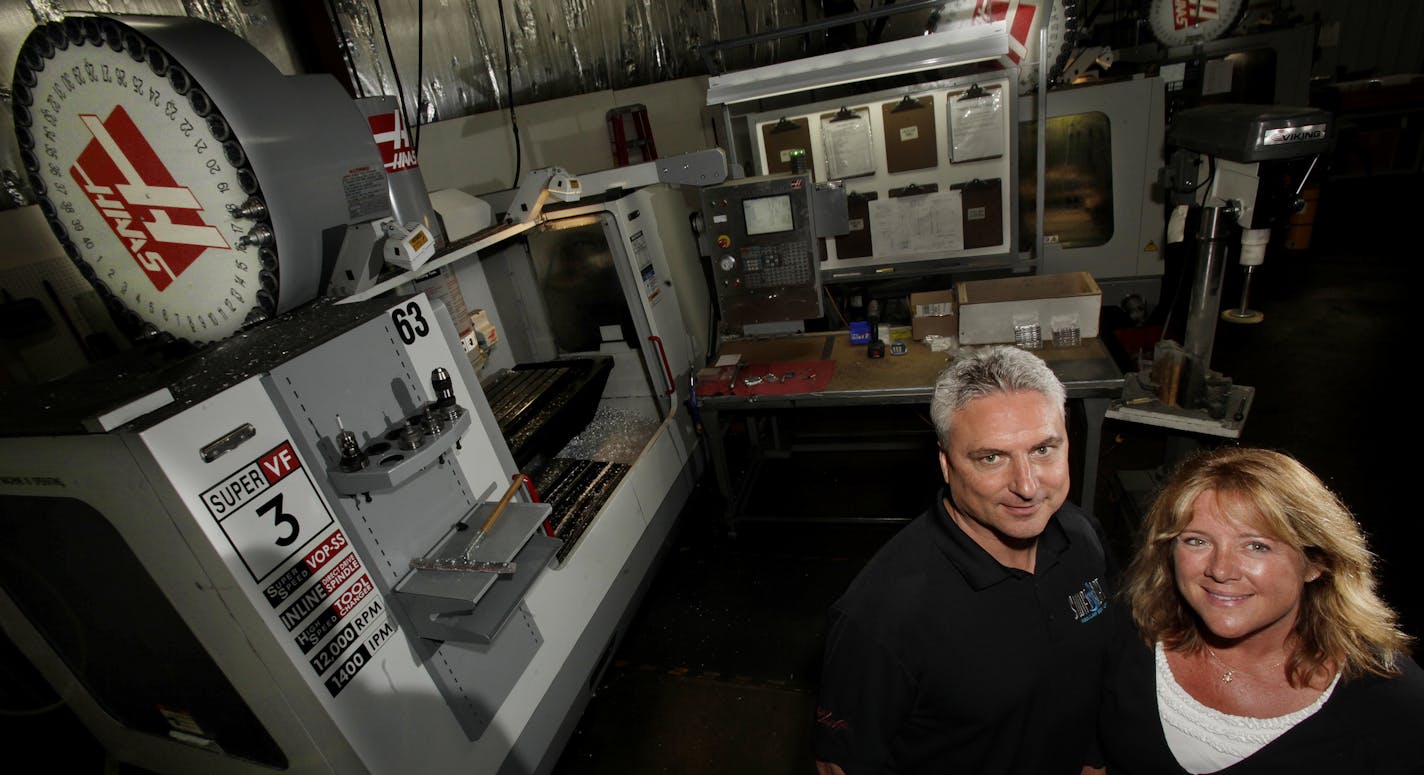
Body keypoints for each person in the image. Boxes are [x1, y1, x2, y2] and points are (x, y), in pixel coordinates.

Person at [812, 345, 1116, 774]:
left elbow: (1094, 672)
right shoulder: (881, 616)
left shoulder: (1082, 537)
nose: (1027, 486)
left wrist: (1092, 761)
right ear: (946, 464)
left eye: (1043, 450)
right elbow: (839, 766)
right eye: (991, 458)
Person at [1099, 446, 1424, 774]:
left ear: (1315, 563)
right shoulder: (1130, 632)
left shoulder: (1392, 698)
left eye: (1256, 546)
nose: (1221, 570)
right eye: (1197, 541)